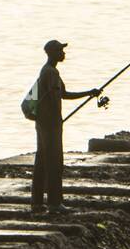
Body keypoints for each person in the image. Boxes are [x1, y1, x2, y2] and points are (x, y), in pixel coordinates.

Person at [32, 40, 101, 213]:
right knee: (54, 162)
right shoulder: (51, 73)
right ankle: (55, 204)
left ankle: (37, 203)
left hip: (43, 123)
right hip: (50, 125)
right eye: (60, 50)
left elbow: (63, 95)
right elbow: (56, 100)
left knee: (42, 160)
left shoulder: (48, 71)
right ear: (53, 53)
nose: (63, 53)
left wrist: (89, 93)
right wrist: (57, 121)